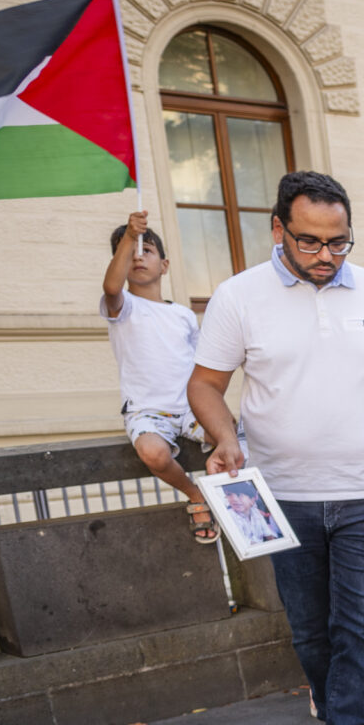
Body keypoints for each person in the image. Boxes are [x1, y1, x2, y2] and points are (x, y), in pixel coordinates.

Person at [186, 170, 364, 725]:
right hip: (281, 497)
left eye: (338, 242)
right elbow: (204, 385)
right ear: (277, 229)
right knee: (312, 631)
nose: (325, 256)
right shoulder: (239, 297)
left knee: (360, 624)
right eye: (309, 242)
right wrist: (223, 437)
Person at [99, 211, 212, 542]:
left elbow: (200, 365)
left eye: (146, 250)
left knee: (233, 439)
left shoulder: (183, 315)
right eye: (129, 252)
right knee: (153, 453)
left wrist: (212, 410)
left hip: (191, 407)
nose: (138, 257)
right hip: (147, 411)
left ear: (164, 264)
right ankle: (196, 496)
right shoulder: (123, 307)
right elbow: (111, 285)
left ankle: (237, 504)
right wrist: (130, 236)